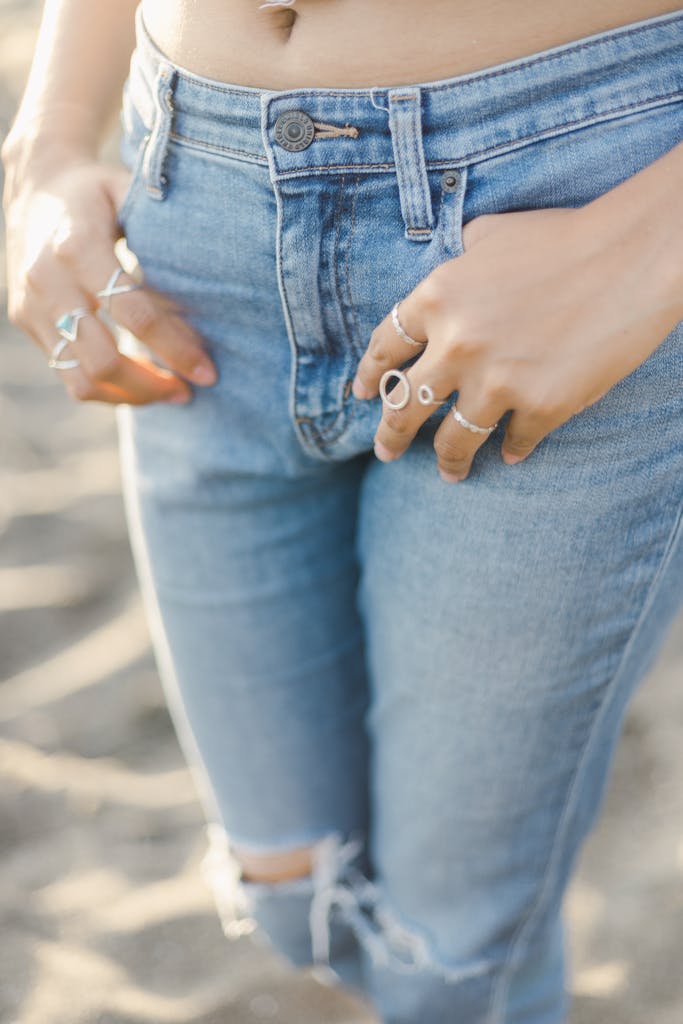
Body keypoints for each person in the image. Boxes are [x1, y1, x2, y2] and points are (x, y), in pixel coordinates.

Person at [3, 1, 682, 1021]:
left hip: (554, 211)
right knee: (295, 900)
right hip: (194, 220)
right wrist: (47, 144)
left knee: (449, 953)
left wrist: (644, 248)